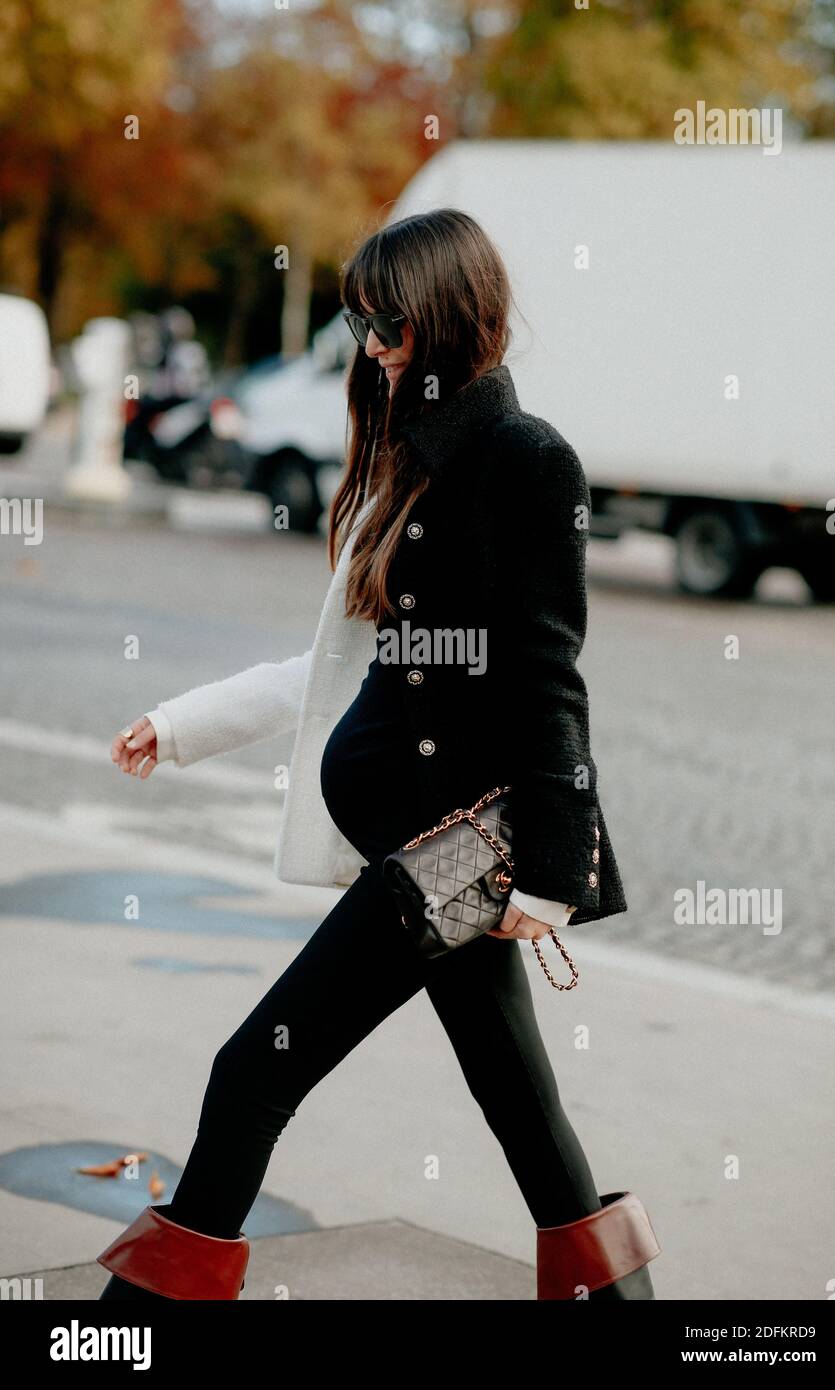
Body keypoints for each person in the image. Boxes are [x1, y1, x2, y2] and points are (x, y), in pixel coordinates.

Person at [95, 209, 661, 1302]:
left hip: (444, 859)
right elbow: (336, 668)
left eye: (387, 321)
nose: (369, 344)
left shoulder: (525, 460)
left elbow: (549, 678)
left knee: (252, 1069)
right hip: (412, 849)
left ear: (450, 314)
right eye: (359, 319)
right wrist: (182, 724)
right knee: (520, 1103)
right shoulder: (402, 461)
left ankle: (139, 1322)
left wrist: (551, 871)